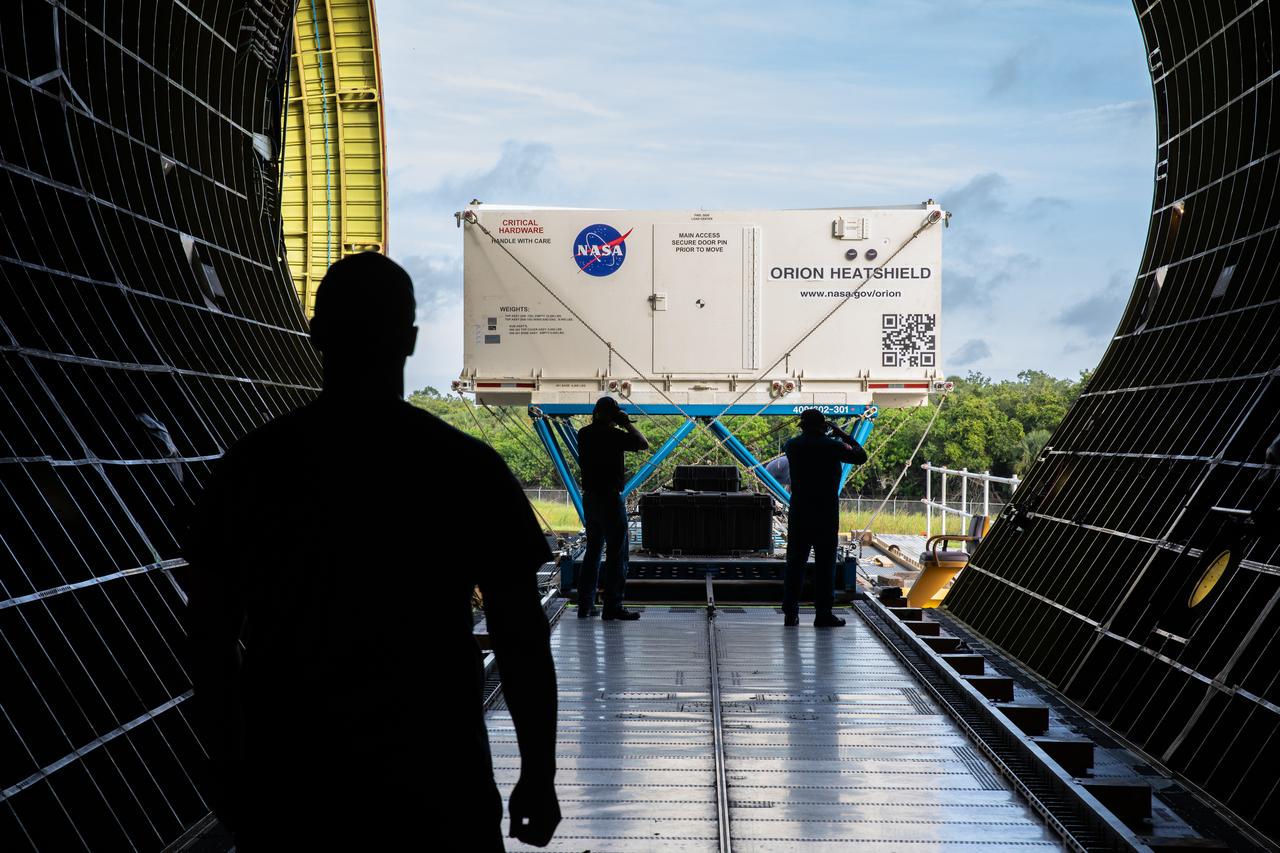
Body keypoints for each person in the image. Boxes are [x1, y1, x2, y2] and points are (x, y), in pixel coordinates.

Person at [183, 252, 560, 851]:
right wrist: (538, 774)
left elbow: (208, 636)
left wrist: (229, 763)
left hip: (297, 779)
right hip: (437, 776)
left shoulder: (252, 469)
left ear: (316, 334)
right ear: (409, 340)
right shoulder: (466, 469)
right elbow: (521, 639)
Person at [782, 409, 867, 627]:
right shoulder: (833, 446)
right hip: (825, 512)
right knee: (825, 564)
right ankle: (823, 613)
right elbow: (861, 456)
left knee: (795, 563)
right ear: (824, 427)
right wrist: (842, 435)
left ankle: (791, 612)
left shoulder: (792, 446)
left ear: (802, 426)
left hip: (800, 510)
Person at [575, 396, 649, 620]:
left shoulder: (584, 434)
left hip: (590, 499)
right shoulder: (614, 435)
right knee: (617, 554)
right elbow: (643, 443)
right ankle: (613, 606)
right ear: (613, 415)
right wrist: (626, 423)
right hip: (609, 499)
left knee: (593, 553)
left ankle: (585, 605)